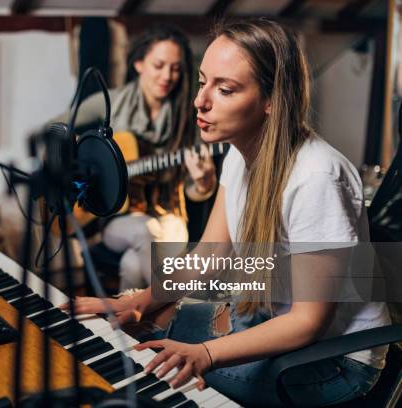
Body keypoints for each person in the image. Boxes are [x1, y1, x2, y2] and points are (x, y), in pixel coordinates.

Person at [62, 19, 391, 407]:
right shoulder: (239, 152)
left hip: (335, 360)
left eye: (225, 89)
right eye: (203, 82)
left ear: (272, 100)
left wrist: (205, 353)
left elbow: (308, 321)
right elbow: (209, 255)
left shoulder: (317, 178)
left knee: (158, 369)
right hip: (269, 319)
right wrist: (136, 303)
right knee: (144, 327)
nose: (200, 101)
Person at [54, 24, 217, 290]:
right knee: (146, 231)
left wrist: (204, 183)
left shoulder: (189, 118)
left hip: (171, 216)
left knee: (132, 263)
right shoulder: (110, 103)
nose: (168, 75)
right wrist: (78, 169)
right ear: (139, 63)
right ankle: (171, 311)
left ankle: (132, 325)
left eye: (175, 68)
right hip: (120, 219)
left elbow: (194, 190)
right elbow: (54, 133)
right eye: (159, 65)